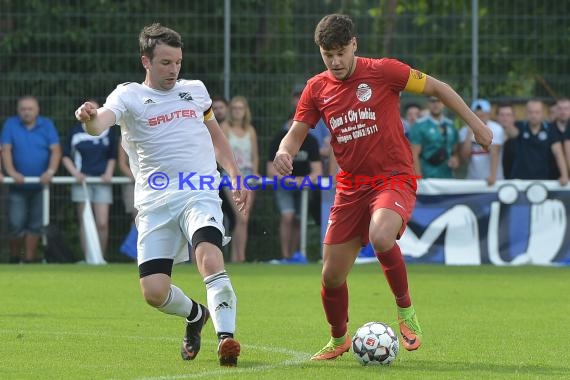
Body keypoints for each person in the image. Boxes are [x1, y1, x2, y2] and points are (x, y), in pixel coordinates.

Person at [272, 14, 492, 360]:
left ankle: (406, 312)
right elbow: (297, 132)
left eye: (341, 52)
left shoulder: (384, 71)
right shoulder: (316, 88)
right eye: (328, 54)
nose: (335, 61)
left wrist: (476, 125)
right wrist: (285, 151)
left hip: (394, 177)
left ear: (354, 44)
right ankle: (339, 339)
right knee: (330, 276)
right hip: (351, 186)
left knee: (381, 236)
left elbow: (440, 88)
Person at [74, 23, 249, 366]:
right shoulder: (128, 96)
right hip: (154, 202)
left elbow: (217, 138)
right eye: (166, 63)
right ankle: (196, 314)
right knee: (154, 292)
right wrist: (88, 118)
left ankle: (227, 339)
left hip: (198, 191)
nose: (174, 70)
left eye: (178, 62)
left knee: (210, 257)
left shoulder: (195, 91)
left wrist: (234, 174)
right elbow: (99, 124)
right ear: (146, 61)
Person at [1, 95, 61, 263]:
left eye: (30, 109)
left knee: (36, 225)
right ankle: (14, 259)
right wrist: (12, 173)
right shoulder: (10, 125)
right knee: (15, 225)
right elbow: (5, 150)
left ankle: (29, 262)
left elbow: (55, 150)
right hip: (17, 186)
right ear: (18, 111)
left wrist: (50, 172)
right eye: (23, 109)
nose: (26, 112)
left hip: (40, 187)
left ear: (37, 110)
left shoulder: (47, 125)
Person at [62, 99, 117, 260]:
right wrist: (75, 173)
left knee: (102, 223)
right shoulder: (75, 132)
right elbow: (65, 155)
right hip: (82, 182)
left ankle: (100, 259)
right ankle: (88, 259)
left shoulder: (108, 131)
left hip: (102, 182)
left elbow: (112, 156)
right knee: (85, 222)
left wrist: (108, 173)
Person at [267, 116, 321, 263]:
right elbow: (270, 170)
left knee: (298, 220)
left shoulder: (311, 141)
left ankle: (295, 255)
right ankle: (285, 256)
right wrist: (288, 180)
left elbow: (317, 170)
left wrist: (304, 181)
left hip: (303, 187)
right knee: (287, 217)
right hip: (283, 185)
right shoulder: (278, 139)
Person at [220, 95, 259, 263]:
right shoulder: (224, 128)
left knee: (244, 220)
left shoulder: (250, 130)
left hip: (249, 176)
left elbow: (255, 155)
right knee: (241, 217)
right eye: (234, 108)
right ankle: (238, 257)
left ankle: (239, 257)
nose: (237, 112)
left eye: (240, 108)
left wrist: (256, 172)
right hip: (231, 176)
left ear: (245, 111)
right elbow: (220, 152)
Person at [504, 99, 568, 184]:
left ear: (542, 113)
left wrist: (564, 175)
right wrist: (508, 124)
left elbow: (558, 153)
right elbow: (512, 133)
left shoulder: (550, 129)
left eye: (537, 112)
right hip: (521, 180)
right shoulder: (520, 126)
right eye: (531, 112)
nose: (533, 115)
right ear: (526, 113)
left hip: (544, 180)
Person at [410, 96, 460, 178]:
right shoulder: (419, 125)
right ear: (428, 103)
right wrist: (418, 176)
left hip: (448, 176)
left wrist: (455, 159)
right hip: (427, 176)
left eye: (439, 101)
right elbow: (414, 154)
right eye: (433, 101)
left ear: (443, 103)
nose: (436, 104)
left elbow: (454, 151)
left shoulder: (451, 125)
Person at [459, 99, 505, 185]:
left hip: (493, 180)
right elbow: (464, 156)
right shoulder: (464, 131)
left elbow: (494, 152)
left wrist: (493, 176)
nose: (479, 118)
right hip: (472, 179)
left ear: (488, 114)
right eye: (476, 115)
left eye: (482, 115)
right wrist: (469, 133)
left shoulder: (496, 128)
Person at [496, 103, 517, 179]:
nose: (505, 118)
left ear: (513, 117)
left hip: (515, 180)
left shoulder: (521, 134)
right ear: (497, 117)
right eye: (502, 115)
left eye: (508, 115)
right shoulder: (491, 135)